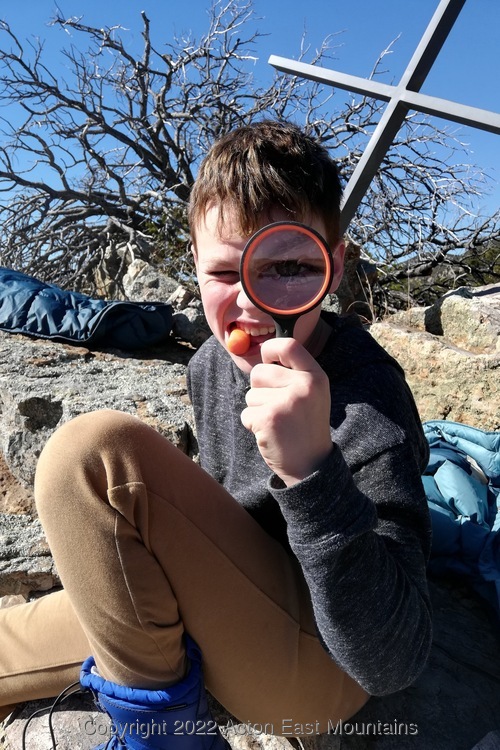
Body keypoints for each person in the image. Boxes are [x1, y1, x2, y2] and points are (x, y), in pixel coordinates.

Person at [0, 120, 432, 747]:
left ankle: (166, 737)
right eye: (227, 274)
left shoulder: (369, 394)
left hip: (319, 673)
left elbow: (392, 662)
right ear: (195, 265)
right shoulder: (209, 363)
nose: (252, 304)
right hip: (225, 609)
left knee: (88, 456)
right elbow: (222, 519)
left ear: (333, 268)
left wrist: (311, 470)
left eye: (287, 266)